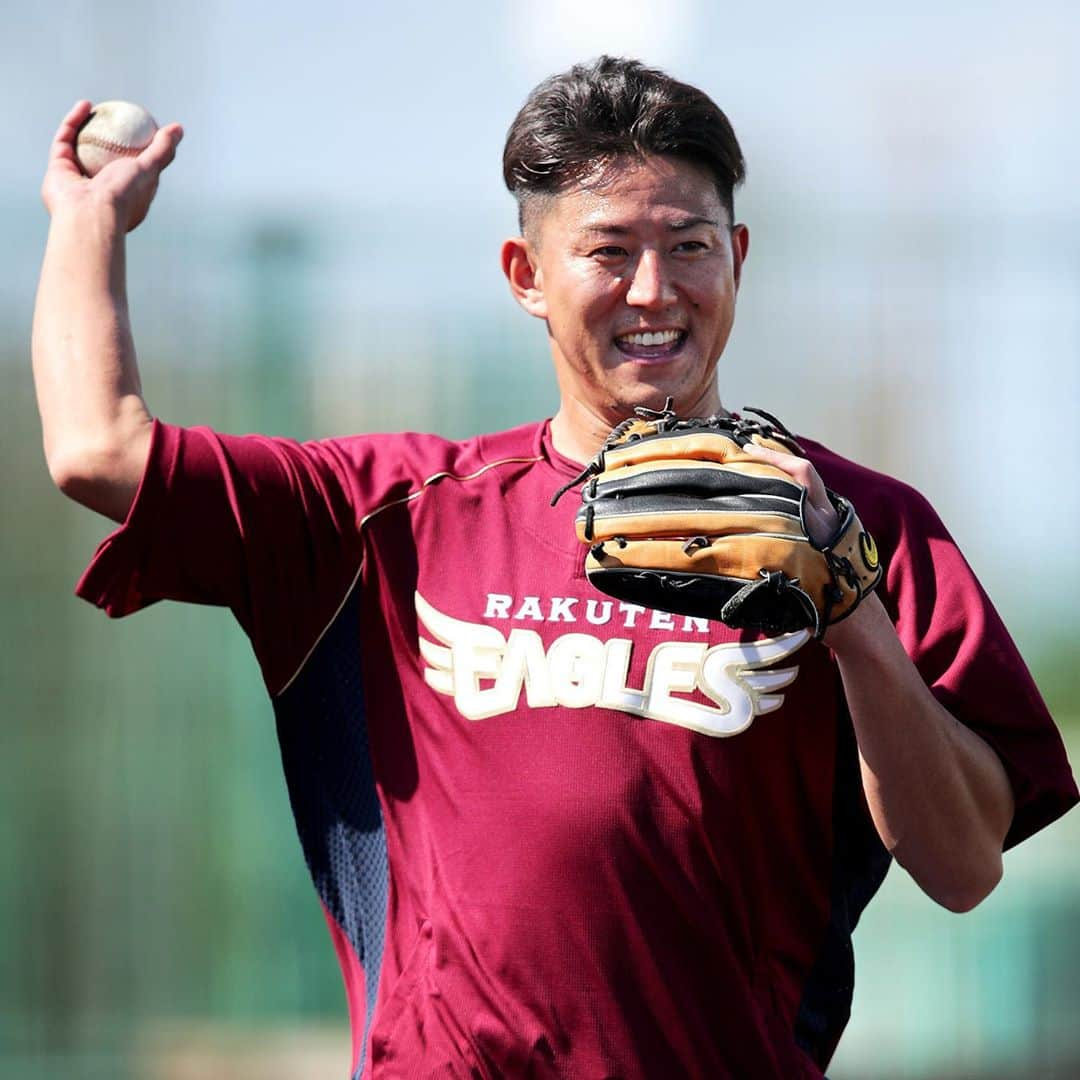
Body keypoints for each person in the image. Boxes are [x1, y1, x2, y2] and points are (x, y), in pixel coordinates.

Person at [34, 57, 1077, 1080]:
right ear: (527, 276)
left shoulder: (860, 522)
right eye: (609, 250)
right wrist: (87, 227)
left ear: (739, 256)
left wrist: (851, 617)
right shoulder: (388, 518)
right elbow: (95, 449)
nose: (655, 290)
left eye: (690, 244)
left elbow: (966, 867)